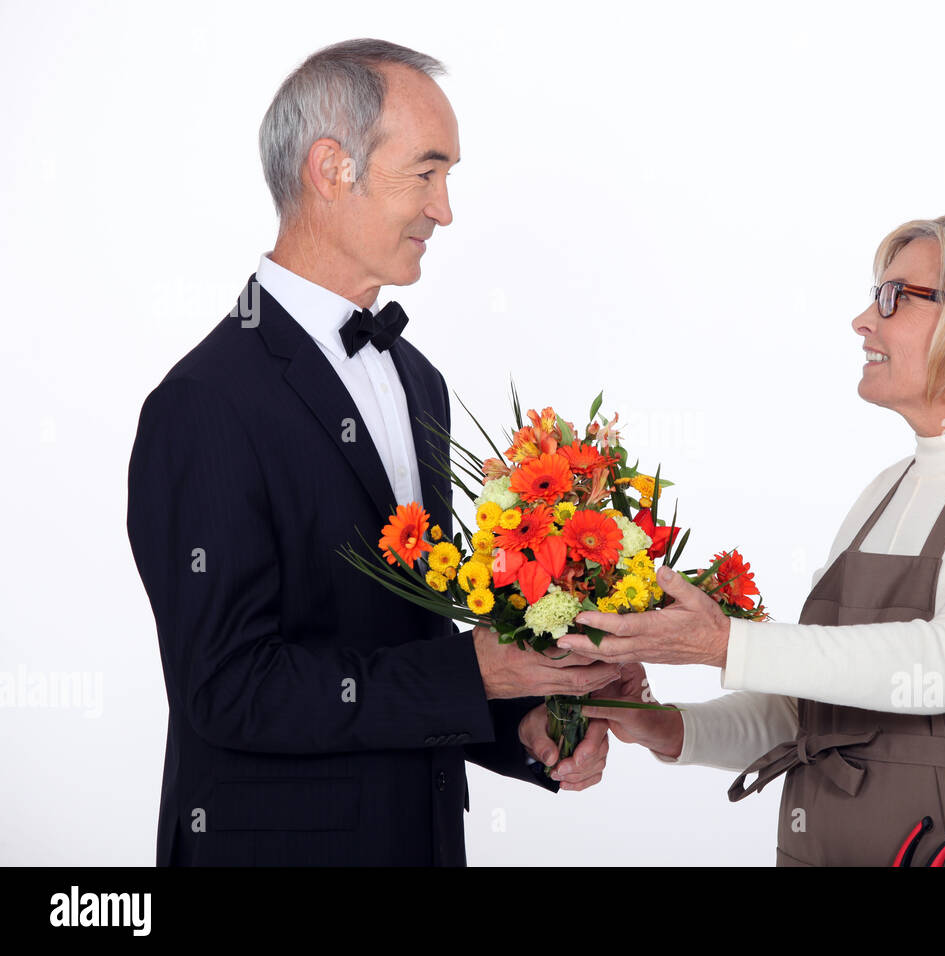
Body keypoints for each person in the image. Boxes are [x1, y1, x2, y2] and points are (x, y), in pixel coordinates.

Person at [125, 38, 618, 867]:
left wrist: (523, 725)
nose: (446, 210)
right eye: (427, 173)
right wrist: (476, 675)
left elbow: (404, 645)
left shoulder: (416, 380)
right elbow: (228, 689)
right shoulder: (202, 403)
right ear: (331, 168)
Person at [560, 216, 945, 866]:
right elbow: (815, 716)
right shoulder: (888, 488)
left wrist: (721, 644)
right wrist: (670, 728)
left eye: (893, 297)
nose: (862, 319)